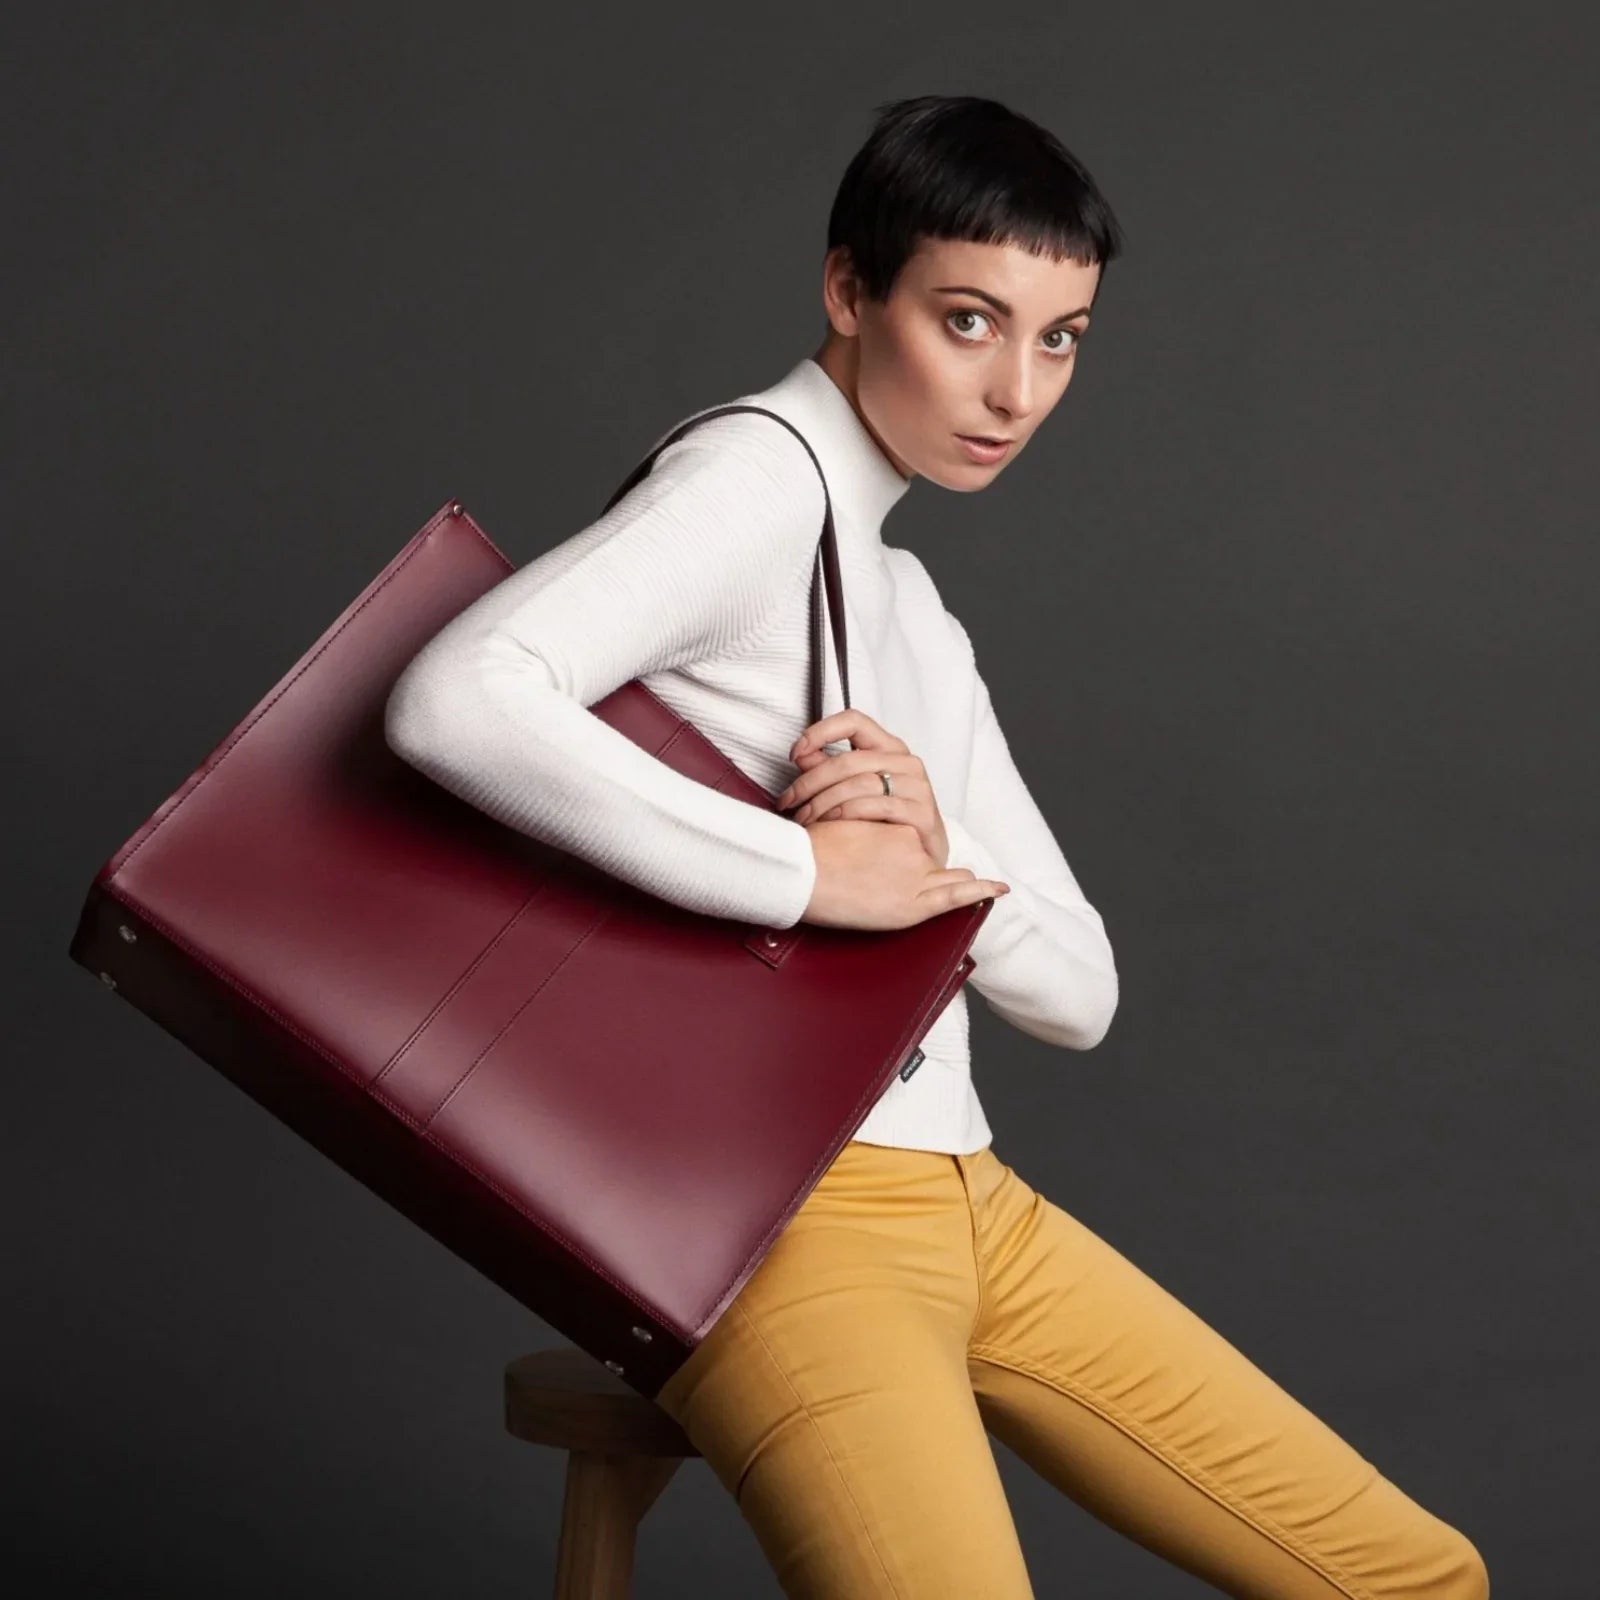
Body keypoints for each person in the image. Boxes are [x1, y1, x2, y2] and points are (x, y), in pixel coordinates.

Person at [384, 94, 1488, 1600]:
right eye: (969, 320)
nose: (1016, 389)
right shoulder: (758, 481)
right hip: (791, 1222)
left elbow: (1080, 993)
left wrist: (931, 834)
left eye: (1061, 340)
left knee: (1416, 1579)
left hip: (969, 1198)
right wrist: (809, 876)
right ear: (851, 291)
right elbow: (454, 700)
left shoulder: (902, 605)